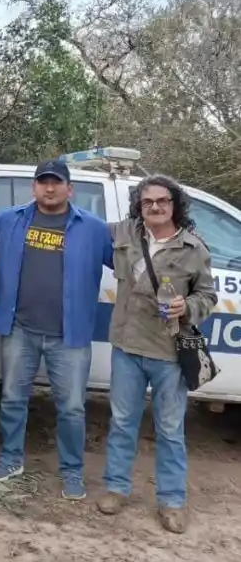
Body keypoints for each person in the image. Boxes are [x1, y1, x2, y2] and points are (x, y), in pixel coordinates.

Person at [0, 159, 113, 501]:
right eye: (43, 182)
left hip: (69, 336)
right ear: (34, 187)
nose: (50, 188)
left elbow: (130, 263)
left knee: (71, 408)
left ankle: (72, 471)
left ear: (70, 189)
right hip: (20, 329)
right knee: (13, 398)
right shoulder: (8, 220)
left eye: (57, 182)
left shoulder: (94, 229)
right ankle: (11, 459)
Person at [97, 175, 216, 534]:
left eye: (162, 200)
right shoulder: (125, 233)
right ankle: (116, 488)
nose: (155, 207)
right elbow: (83, 226)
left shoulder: (194, 248)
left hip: (168, 353)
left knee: (170, 429)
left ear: (175, 204)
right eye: (147, 201)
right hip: (127, 347)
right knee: (122, 423)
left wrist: (187, 306)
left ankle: (172, 501)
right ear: (139, 206)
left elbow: (207, 296)